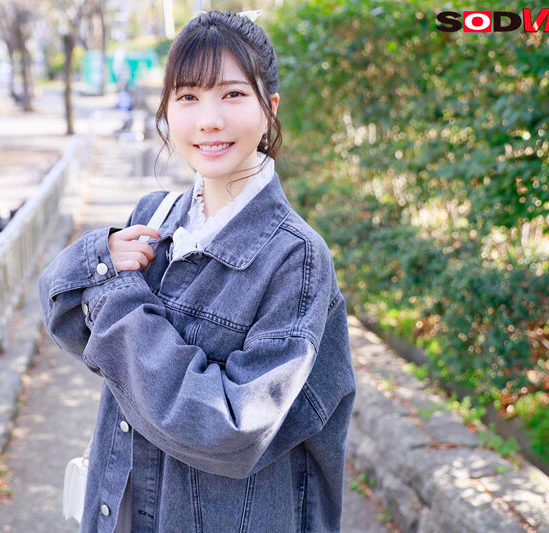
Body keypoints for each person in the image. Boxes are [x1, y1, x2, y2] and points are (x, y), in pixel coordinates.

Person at [38, 9, 356, 533]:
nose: (209, 119)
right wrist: (97, 255)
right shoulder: (153, 216)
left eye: (232, 94)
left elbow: (232, 429)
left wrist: (116, 297)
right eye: (187, 96)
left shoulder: (296, 259)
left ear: (269, 109)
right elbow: (68, 323)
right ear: (166, 108)